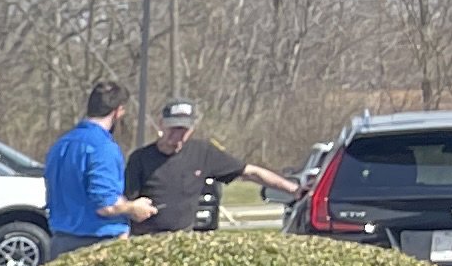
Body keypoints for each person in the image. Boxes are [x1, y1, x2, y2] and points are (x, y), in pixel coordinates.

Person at [123, 102, 299, 236]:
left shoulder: (203, 152)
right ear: (161, 124)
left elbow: (251, 172)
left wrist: (294, 189)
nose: (177, 134)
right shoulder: (140, 158)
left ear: (191, 129)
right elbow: (124, 202)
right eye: (173, 128)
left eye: (183, 129)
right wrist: (133, 209)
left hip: (184, 240)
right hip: (146, 239)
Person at [43, 82, 155, 254]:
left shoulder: (61, 145)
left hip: (60, 241)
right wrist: (133, 208)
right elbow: (106, 205)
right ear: (118, 111)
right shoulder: (102, 147)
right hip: (96, 245)